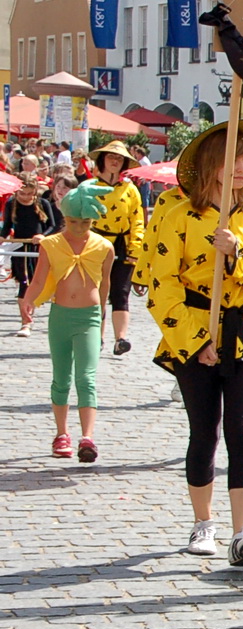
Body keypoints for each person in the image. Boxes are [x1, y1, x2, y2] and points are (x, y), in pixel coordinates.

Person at [141, 121, 243, 564]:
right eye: (234, 160)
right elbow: (160, 285)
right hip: (192, 328)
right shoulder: (177, 212)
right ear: (212, 164)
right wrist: (194, 340)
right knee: (203, 431)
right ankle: (203, 522)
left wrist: (239, 251)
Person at [23, 181, 114, 461]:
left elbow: (105, 286)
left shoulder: (104, 246)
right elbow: (39, 278)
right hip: (60, 316)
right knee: (61, 379)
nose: (79, 226)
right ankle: (62, 432)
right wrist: (28, 301)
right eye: (74, 221)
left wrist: (101, 320)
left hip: (88, 317)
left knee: (86, 378)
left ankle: (88, 437)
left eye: (86, 221)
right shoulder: (51, 245)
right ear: (65, 218)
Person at [87, 141, 146, 356]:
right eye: (111, 157)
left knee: (121, 292)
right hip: (95, 243)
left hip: (122, 246)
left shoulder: (131, 190)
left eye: (119, 158)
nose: (114, 161)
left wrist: (136, 248)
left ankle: (121, 338)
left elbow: (137, 220)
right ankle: (97, 337)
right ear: (102, 160)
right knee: (96, 293)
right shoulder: (89, 187)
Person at [2, 174, 62, 335]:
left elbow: (53, 226)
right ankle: (26, 322)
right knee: (24, 282)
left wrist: (43, 236)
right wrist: (2, 236)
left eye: (30, 194)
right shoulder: (11, 204)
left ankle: (36, 315)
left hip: (39, 248)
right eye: (23, 194)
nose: (26, 197)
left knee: (37, 282)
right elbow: (7, 225)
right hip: (21, 247)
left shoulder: (42, 203)